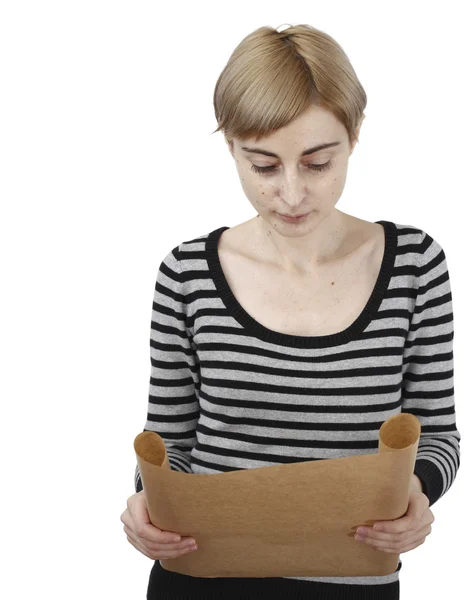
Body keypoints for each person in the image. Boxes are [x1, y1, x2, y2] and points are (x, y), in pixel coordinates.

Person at [120, 23, 461, 599]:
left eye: (317, 162)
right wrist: (148, 502)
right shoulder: (186, 274)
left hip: (352, 582)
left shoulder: (414, 266)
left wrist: (419, 492)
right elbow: (170, 440)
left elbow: (438, 436)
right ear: (229, 145)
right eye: (263, 166)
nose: (293, 194)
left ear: (353, 137)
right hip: (199, 582)